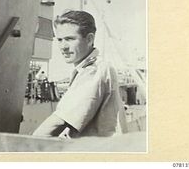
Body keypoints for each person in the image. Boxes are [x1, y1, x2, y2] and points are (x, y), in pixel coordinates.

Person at [33, 10, 127, 138]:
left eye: (69, 39)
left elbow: (59, 121)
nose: (63, 47)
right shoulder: (84, 71)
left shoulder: (96, 70)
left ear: (89, 39)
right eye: (59, 40)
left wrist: (27, 145)